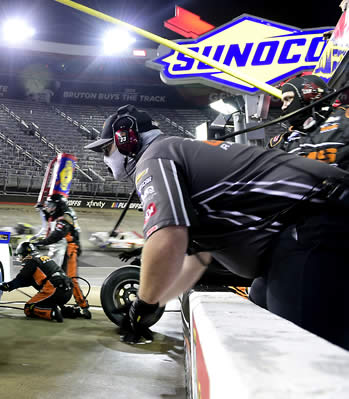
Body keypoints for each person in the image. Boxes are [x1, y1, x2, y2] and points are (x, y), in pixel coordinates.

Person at [85, 104, 349, 349]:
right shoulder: (173, 151)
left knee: (297, 344)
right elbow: (197, 259)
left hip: (315, 219)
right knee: (263, 303)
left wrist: (143, 304)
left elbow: (168, 238)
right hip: (308, 222)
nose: (104, 158)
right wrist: (155, 299)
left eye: (106, 149)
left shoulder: (154, 158)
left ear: (126, 140)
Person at [267, 74, 348, 169]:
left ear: (310, 95)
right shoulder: (282, 143)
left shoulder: (343, 118)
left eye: (288, 99)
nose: (283, 107)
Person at [33, 194, 91, 318]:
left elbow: (57, 235)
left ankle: (84, 306)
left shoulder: (65, 217)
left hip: (69, 250)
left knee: (71, 279)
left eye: (52, 205)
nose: (49, 208)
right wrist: (43, 209)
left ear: (58, 206)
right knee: (54, 278)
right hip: (62, 249)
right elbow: (52, 217)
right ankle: (54, 302)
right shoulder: (62, 213)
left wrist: (41, 243)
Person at [0, 242, 77, 322]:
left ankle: (52, 313)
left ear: (24, 253)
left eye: (20, 255)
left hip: (54, 289)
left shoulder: (31, 260)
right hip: (67, 291)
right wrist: (12, 286)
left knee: (28, 308)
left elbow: (21, 279)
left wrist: (8, 286)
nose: (20, 259)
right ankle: (70, 311)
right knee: (48, 300)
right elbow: (29, 281)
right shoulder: (43, 258)